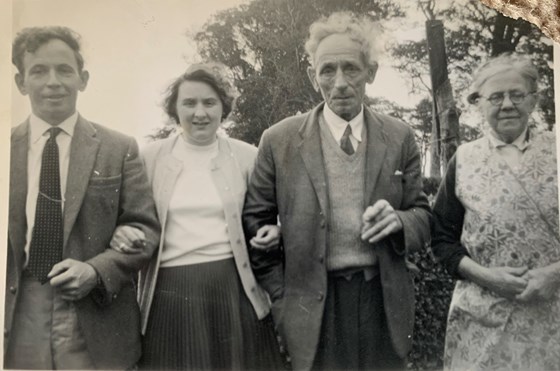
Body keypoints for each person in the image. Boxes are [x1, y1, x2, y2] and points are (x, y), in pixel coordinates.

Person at [243, 12, 431, 371]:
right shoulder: (279, 140)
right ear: (314, 78)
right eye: (327, 71)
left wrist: (401, 221)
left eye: (351, 69)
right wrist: (283, 299)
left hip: (382, 304)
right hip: (314, 309)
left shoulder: (400, 136)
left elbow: (423, 216)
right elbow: (255, 224)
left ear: (371, 73)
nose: (340, 82)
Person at [110, 62, 284, 370]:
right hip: (169, 293)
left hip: (233, 291)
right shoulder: (149, 158)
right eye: (189, 103)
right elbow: (127, 216)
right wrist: (121, 232)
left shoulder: (248, 156)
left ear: (223, 108)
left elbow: (268, 213)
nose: (199, 112)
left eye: (209, 102)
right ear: (175, 109)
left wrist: (274, 230)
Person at [6, 26, 160, 369]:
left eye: (64, 70)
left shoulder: (118, 148)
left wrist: (95, 271)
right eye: (38, 71)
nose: (53, 82)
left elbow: (145, 229)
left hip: (94, 315)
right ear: (20, 83)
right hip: (18, 315)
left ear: (83, 78)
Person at [432, 53, 560, 370]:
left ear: (533, 99)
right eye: (495, 97)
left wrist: (554, 274)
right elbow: (441, 238)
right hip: (480, 320)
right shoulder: (462, 160)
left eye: (516, 95)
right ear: (479, 104)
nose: (506, 105)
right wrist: (487, 277)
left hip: (551, 318)